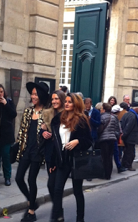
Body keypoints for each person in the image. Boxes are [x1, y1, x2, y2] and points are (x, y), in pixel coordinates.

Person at [48, 93, 92, 222]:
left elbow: (89, 141)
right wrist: (52, 162)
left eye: (70, 102)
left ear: (76, 104)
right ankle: (57, 217)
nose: (66, 104)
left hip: (76, 159)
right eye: (66, 101)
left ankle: (80, 219)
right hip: (62, 157)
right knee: (57, 189)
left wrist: (77, 141)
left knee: (77, 191)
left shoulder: (81, 119)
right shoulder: (57, 119)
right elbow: (54, 142)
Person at [15, 82, 50, 222]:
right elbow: (22, 131)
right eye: (32, 94)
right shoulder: (28, 111)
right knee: (18, 178)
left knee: (31, 179)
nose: (33, 96)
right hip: (26, 150)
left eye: (36, 94)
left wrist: (47, 132)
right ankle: (33, 201)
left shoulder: (47, 113)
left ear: (41, 96)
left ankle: (31, 211)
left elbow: (52, 132)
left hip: (38, 151)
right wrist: (19, 147)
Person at [41, 90, 66, 205]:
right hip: (50, 152)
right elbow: (40, 131)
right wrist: (43, 132)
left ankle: (57, 211)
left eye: (56, 99)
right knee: (51, 185)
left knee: (56, 186)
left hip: (62, 153)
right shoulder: (47, 114)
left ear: (62, 99)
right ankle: (58, 208)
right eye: (53, 99)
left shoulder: (67, 114)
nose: (54, 101)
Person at [0, 83, 17, 186]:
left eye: (1, 92)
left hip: (7, 134)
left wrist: (6, 104)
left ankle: (7, 177)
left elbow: (14, 114)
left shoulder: (8, 102)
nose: (0, 94)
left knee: (6, 156)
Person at [99, 103, 121, 179]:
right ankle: (109, 174)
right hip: (112, 139)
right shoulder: (114, 117)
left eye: (101, 108)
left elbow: (100, 129)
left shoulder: (102, 117)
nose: (101, 110)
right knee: (109, 157)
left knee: (104, 157)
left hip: (104, 139)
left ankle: (104, 174)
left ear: (104, 109)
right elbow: (117, 129)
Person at [120, 103, 138, 171]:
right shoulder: (133, 116)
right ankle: (128, 165)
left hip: (127, 136)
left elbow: (122, 123)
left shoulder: (126, 114)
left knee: (126, 151)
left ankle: (124, 164)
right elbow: (129, 126)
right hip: (131, 137)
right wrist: (124, 134)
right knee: (130, 152)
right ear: (136, 109)